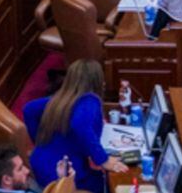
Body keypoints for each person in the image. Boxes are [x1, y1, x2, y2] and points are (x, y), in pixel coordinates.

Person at [23, 59, 127, 193]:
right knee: (108, 181)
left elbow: (28, 110)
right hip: (62, 173)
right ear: (97, 81)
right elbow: (79, 124)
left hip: (40, 165)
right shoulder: (90, 99)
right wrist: (103, 159)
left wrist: (39, 141)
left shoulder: (61, 98)